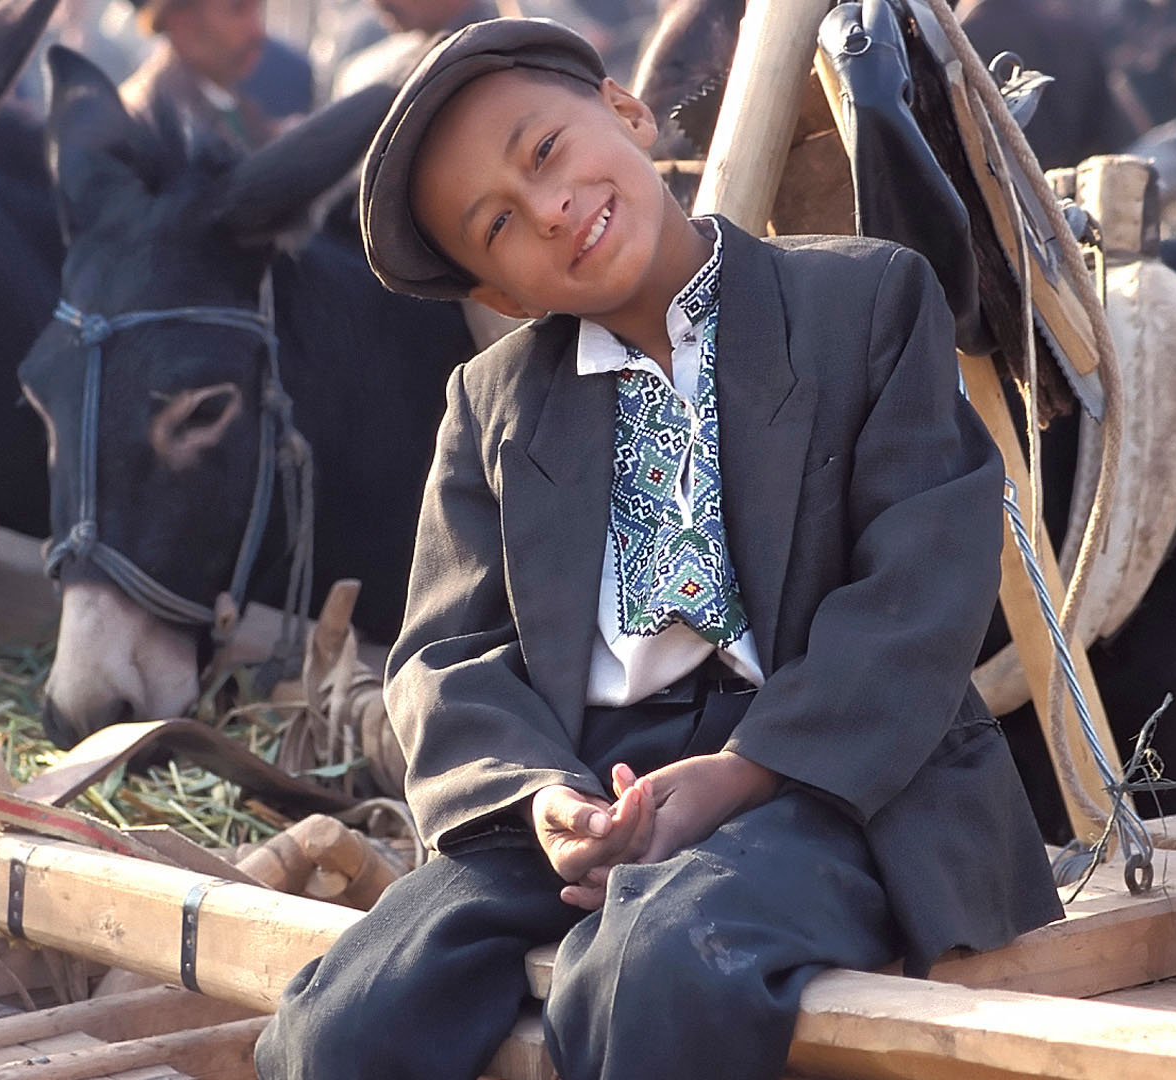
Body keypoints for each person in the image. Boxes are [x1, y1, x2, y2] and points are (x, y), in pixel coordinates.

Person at [254, 18, 1063, 1080]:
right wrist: (545, 802)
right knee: (340, 1019)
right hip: (594, 788)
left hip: (833, 783)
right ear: (501, 294)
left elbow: (919, 589)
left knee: (656, 963)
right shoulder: (492, 404)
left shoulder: (862, 304)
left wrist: (743, 772)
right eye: (498, 224)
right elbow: (445, 662)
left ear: (626, 112)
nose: (549, 209)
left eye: (544, 151)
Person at [123, 0, 303, 151]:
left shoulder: (222, 97)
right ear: (183, 24)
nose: (258, 31)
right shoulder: (156, 126)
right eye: (238, 9)